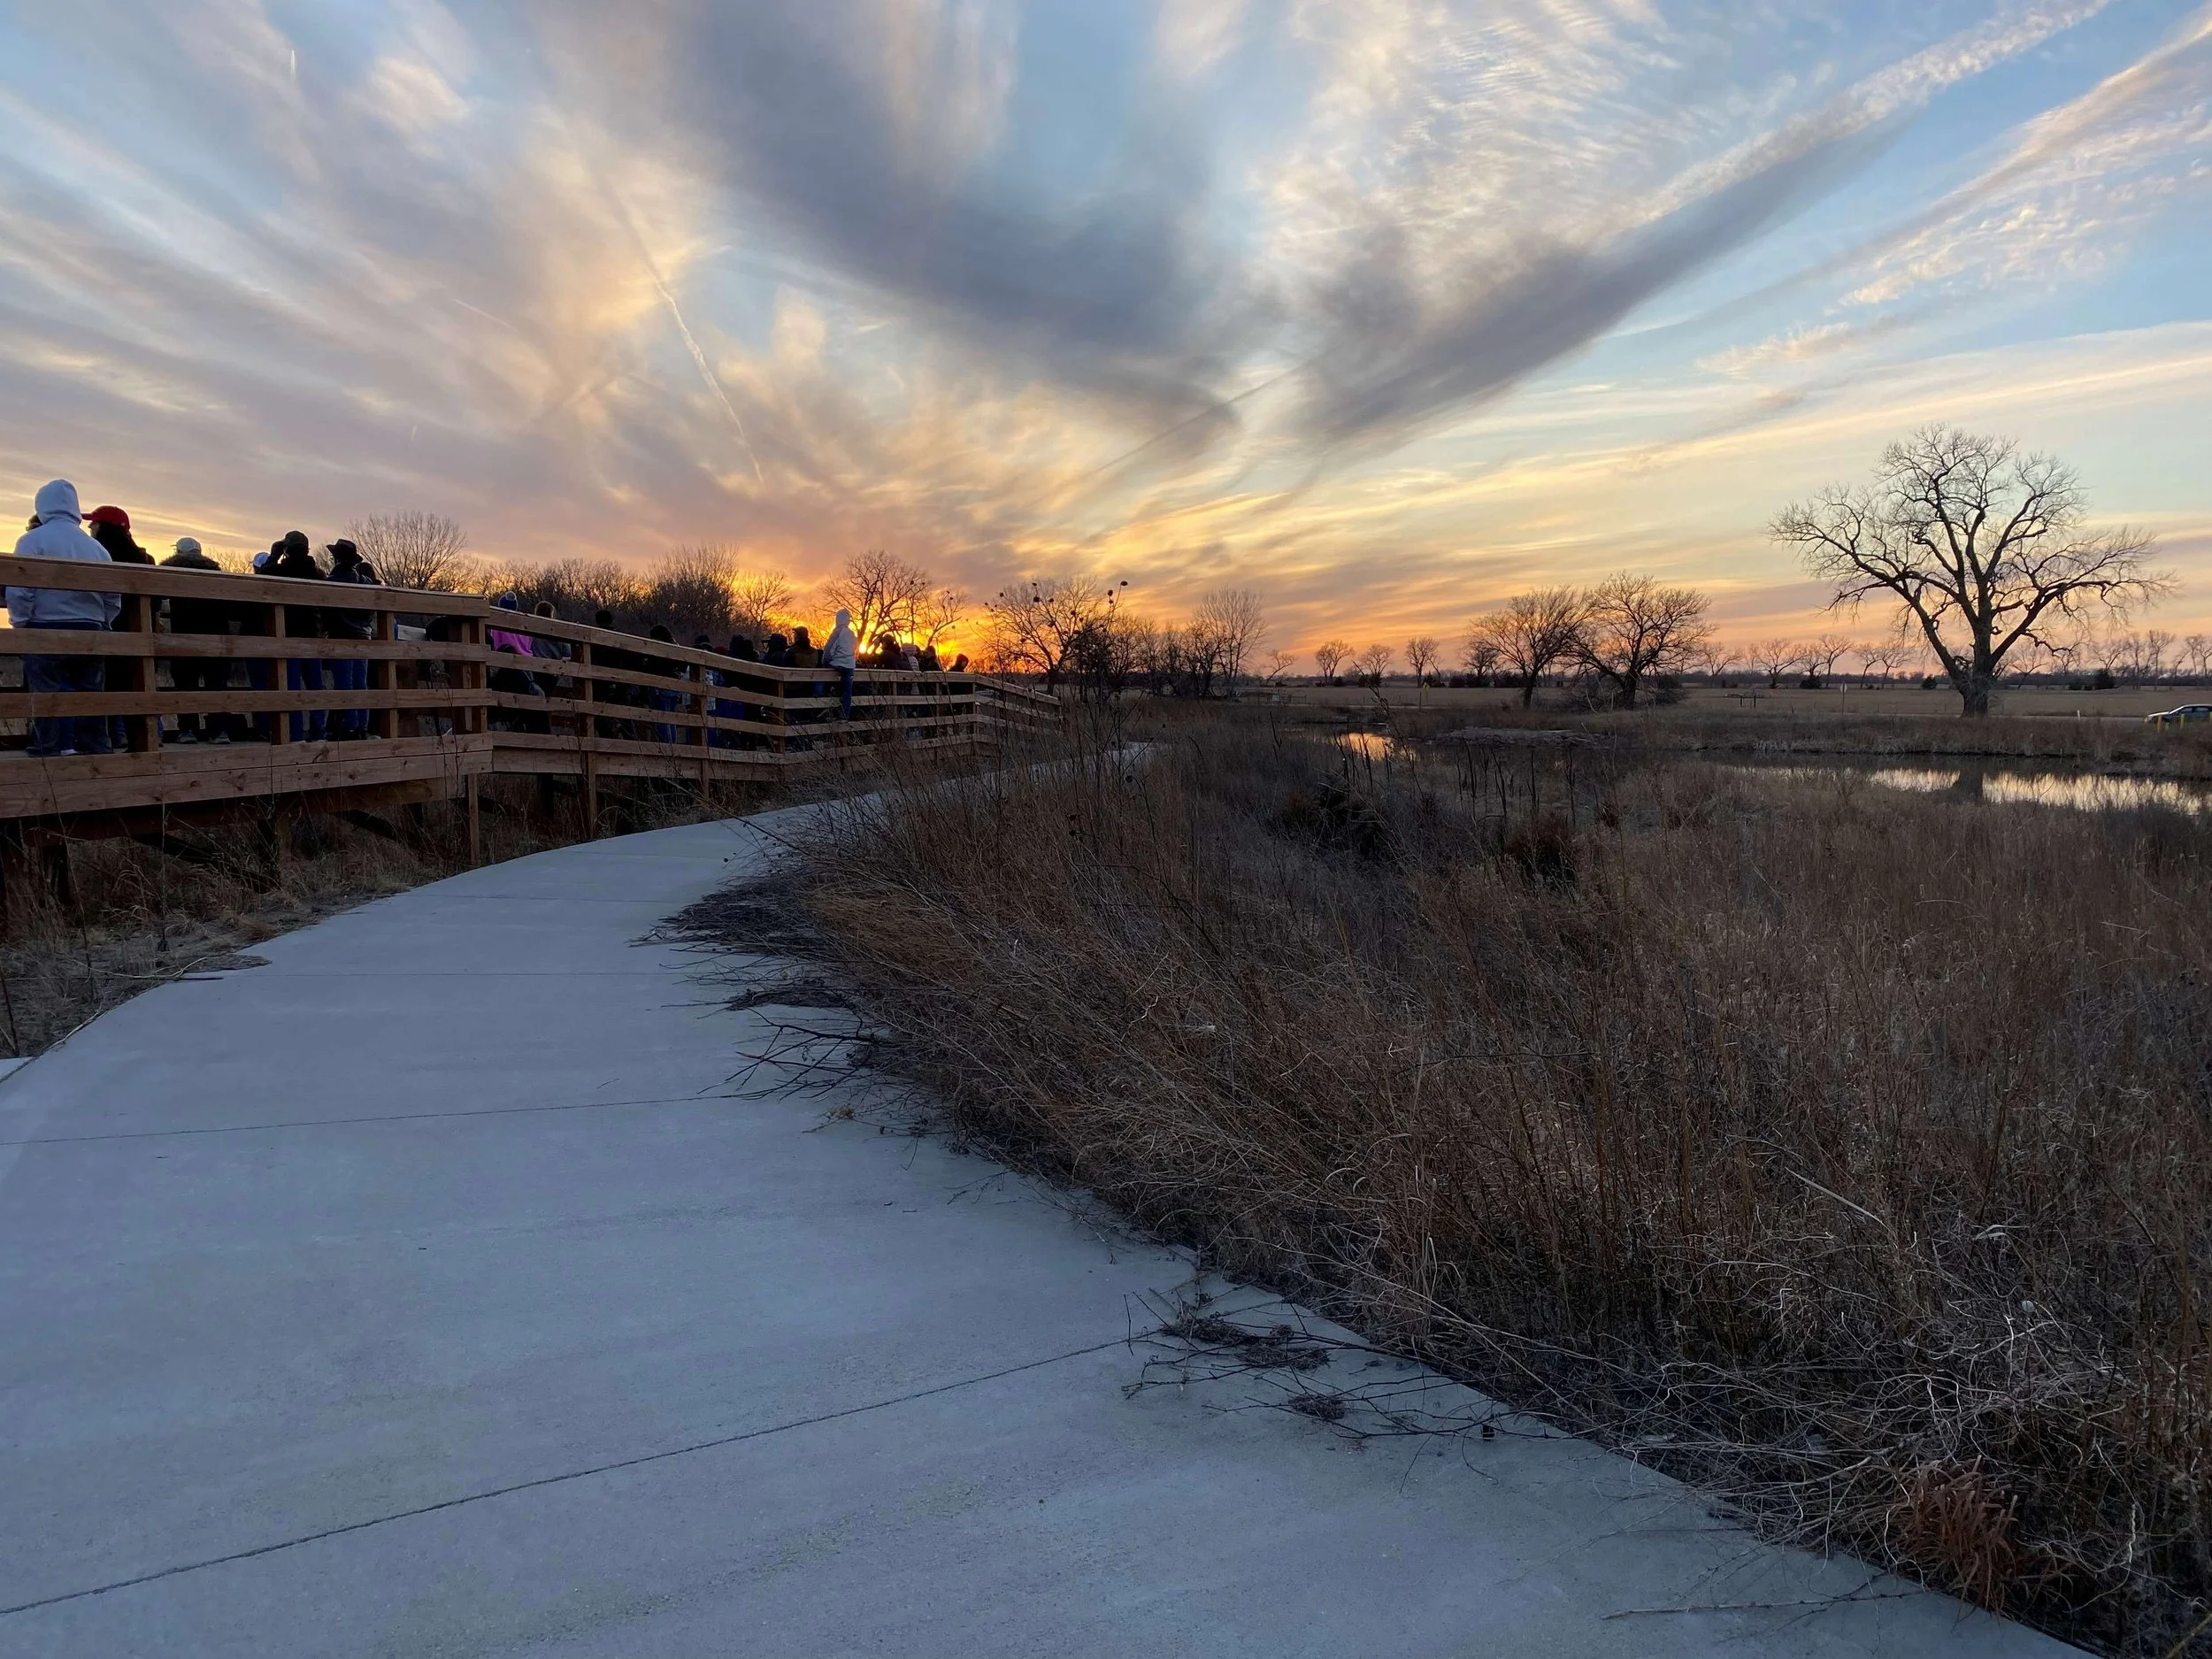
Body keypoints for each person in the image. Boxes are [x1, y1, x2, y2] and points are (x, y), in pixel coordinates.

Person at [9, 480, 119, 757]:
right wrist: (104, 621)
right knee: (90, 692)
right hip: (90, 627)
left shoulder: (32, 541)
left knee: (46, 691)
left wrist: (20, 622)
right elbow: (112, 595)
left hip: (45, 626)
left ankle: (49, 746)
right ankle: (96, 746)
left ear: (42, 507)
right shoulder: (96, 548)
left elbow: (20, 588)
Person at [84, 506, 150, 744]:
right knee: (136, 685)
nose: (90, 527)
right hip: (137, 632)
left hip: (105, 627)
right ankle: (141, 739)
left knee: (103, 685)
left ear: (104, 527)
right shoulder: (143, 558)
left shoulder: (96, 554)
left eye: (94, 523)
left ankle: (108, 737)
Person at [161, 536, 237, 743]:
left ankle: (187, 730)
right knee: (217, 685)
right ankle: (219, 731)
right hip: (216, 638)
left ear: (178, 552)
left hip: (185, 637)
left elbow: (157, 598)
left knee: (186, 685)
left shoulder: (172, 573)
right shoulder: (216, 574)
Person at [270, 531, 326, 740]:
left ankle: (295, 734)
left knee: (291, 688)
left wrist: (273, 556)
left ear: (286, 549)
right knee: (315, 688)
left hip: (289, 635)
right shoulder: (317, 574)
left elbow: (263, 576)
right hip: (312, 636)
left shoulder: (279, 571)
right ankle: (318, 733)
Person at [321, 538, 380, 737]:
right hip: (363, 637)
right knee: (360, 682)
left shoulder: (331, 583)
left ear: (337, 558)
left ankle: (348, 726)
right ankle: (361, 725)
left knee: (344, 683)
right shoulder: (364, 582)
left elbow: (326, 613)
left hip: (341, 637)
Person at [487, 595, 541, 732]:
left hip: (509, 666)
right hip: (528, 667)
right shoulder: (524, 622)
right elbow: (530, 645)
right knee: (525, 706)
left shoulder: (499, 624)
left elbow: (496, 646)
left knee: (507, 702)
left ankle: (511, 731)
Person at [643, 623, 680, 743]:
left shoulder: (661, 649)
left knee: (662, 718)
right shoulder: (677, 648)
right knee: (671, 718)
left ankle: (666, 747)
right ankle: (673, 747)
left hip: (662, 686)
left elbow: (652, 667)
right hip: (675, 687)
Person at [822, 607, 858, 719]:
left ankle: (827, 712)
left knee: (827, 686)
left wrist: (824, 663)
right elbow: (855, 650)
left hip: (837, 664)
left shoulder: (837, 632)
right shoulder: (852, 634)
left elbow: (828, 650)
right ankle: (844, 716)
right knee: (847, 693)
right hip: (850, 666)